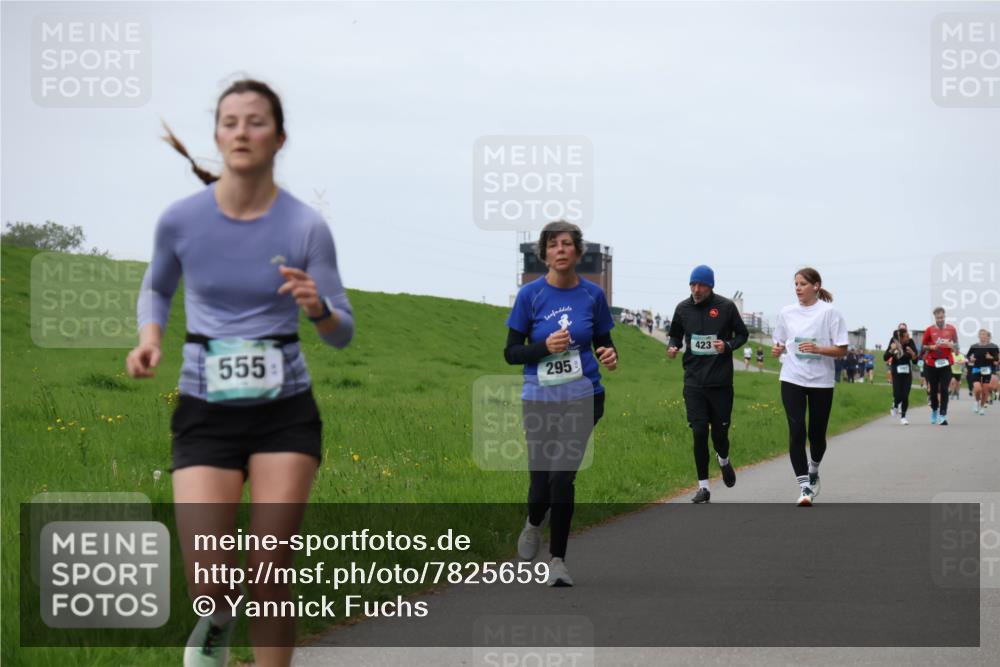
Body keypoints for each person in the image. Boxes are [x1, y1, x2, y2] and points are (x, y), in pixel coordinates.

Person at [127, 80, 354, 667]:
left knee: (270, 568)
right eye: (230, 121)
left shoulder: (305, 227)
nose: (241, 131)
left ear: (279, 138)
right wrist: (150, 339)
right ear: (217, 136)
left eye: (255, 122)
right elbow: (157, 288)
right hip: (206, 410)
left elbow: (342, 331)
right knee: (208, 577)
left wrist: (318, 308)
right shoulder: (180, 220)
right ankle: (219, 622)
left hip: (286, 412)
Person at [505, 220, 617, 587]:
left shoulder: (592, 296)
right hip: (539, 399)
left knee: (562, 477)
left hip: (584, 397)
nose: (561, 250)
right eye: (553, 245)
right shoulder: (530, 296)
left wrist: (609, 355)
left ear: (579, 252)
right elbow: (511, 353)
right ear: (545, 254)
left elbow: (603, 340)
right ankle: (534, 522)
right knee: (540, 487)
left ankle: (558, 561)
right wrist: (544, 348)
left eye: (567, 244)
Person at [667, 265, 749, 503]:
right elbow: (675, 334)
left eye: (701, 285)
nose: (696, 289)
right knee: (699, 432)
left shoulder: (725, 307)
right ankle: (703, 487)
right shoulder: (682, 309)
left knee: (720, 434)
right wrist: (673, 346)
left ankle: (723, 459)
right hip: (693, 381)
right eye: (693, 285)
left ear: (710, 286)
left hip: (720, 382)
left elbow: (742, 334)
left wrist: (728, 346)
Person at [772, 267, 848, 506]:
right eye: (795, 284)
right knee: (796, 431)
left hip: (821, 382)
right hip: (792, 378)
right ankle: (804, 487)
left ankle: (813, 469)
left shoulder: (830, 313)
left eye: (802, 284)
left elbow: (842, 349)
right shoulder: (786, 313)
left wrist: (818, 349)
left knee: (817, 436)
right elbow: (780, 342)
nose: (797, 288)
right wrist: (777, 349)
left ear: (816, 286)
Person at [921, 307, 959, 425]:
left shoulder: (951, 329)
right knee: (933, 390)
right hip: (931, 364)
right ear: (935, 318)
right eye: (938, 318)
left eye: (942, 317)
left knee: (944, 389)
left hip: (946, 363)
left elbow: (957, 347)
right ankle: (934, 410)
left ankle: (942, 415)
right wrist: (931, 347)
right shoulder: (929, 330)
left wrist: (952, 346)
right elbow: (923, 347)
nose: (940, 319)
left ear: (944, 316)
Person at [884, 328, 918, 425]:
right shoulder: (893, 341)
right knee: (897, 394)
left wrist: (911, 353)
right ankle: (895, 405)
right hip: (896, 371)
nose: (909, 338)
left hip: (907, 371)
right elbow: (885, 357)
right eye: (906, 336)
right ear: (901, 338)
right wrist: (892, 350)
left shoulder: (910, 342)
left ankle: (903, 417)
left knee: (905, 395)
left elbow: (915, 360)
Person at [966, 329, 999, 415]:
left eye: (984, 335)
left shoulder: (993, 346)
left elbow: (997, 358)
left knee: (985, 391)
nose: (983, 336)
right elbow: (968, 355)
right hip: (976, 369)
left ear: (987, 336)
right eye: (981, 334)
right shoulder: (974, 346)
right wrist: (971, 359)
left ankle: (982, 407)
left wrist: (990, 357)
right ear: (979, 336)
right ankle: (976, 402)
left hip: (987, 370)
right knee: (977, 388)